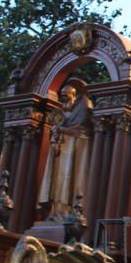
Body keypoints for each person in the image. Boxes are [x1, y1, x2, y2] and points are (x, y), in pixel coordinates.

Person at [37, 78, 93, 221]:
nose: (63, 97)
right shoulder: (64, 112)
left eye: (66, 94)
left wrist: (62, 129)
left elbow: (81, 129)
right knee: (56, 181)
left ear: (75, 94)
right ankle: (55, 212)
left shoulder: (84, 106)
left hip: (75, 149)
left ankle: (67, 212)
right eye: (61, 94)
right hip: (61, 151)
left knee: (70, 179)